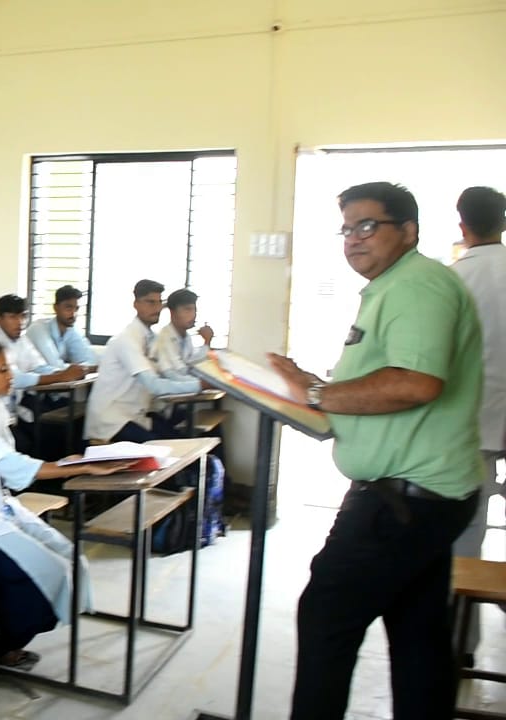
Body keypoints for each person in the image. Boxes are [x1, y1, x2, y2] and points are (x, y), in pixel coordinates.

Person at [267, 182, 483, 720]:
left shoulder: (417, 286)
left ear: (408, 231)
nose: (354, 240)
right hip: (426, 493)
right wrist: (311, 388)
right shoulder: (396, 285)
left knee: (327, 617)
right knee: (416, 627)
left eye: (368, 226)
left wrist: (316, 394)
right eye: (346, 229)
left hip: (404, 500)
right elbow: (386, 379)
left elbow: (416, 383)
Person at [0, 339, 125, 670]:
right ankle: (0, 647)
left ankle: (6, 639)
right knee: (50, 571)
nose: (10, 376)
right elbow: (10, 464)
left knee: (71, 557)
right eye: (2, 370)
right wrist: (75, 466)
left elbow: (12, 466)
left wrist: (67, 463)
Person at [449, 185, 506, 662]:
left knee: (468, 536)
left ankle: (460, 644)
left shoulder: (454, 280)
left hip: (474, 427)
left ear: (462, 223)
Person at [84, 280, 200, 443]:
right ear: (136, 304)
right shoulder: (127, 340)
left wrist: (203, 383)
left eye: (159, 302)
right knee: (165, 453)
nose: (157, 308)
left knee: (181, 445)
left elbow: (169, 374)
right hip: (112, 421)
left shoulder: (151, 338)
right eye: (150, 302)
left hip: (136, 416)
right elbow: (154, 385)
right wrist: (200, 386)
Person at [0, 294, 85, 427]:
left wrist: (62, 372)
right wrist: (61, 377)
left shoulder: (22, 340)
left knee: (71, 417)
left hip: (19, 402)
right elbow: (13, 378)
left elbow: (39, 366)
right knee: (52, 428)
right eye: (13, 317)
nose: (20, 322)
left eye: (23, 316)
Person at [25, 285, 97, 370]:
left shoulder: (72, 331)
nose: (74, 314)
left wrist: (81, 368)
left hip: (55, 380)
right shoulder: (38, 329)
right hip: (32, 380)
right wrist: (79, 368)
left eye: (76, 309)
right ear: (55, 308)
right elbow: (54, 365)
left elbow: (91, 361)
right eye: (68, 308)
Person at [151, 288, 214, 378]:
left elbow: (192, 362)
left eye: (194, 310)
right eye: (187, 310)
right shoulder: (164, 338)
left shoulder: (186, 336)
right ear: (172, 312)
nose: (193, 315)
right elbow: (181, 371)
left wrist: (207, 341)